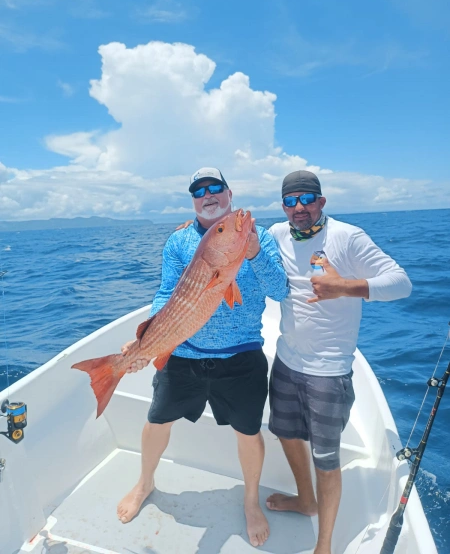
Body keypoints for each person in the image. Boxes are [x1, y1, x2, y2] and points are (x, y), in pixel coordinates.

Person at [117, 167, 289, 548]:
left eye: (216, 188)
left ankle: (250, 501)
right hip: (183, 352)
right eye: (199, 191)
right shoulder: (179, 241)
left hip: (241, 355)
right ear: (193, 200)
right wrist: (149, 336)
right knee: (157, 421)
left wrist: (255, 251)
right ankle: (145, 482)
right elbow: (167, 294)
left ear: (229, 193)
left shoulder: (259, 239)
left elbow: (279, 290)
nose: (208, 194)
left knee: (249, 432)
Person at [265, 170, 412, 554]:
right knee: (285, 433)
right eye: (290, 201)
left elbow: (401, 283)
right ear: (283, 206)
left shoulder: (348, 238)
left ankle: (325, 544)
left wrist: (346, 286)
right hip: (285, 360)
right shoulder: (277, 235)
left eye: (307, 199)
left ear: (321, 201)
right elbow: (236, 245)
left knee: (326, 457)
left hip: (329, 371)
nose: (299, 207)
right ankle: (305, 500)